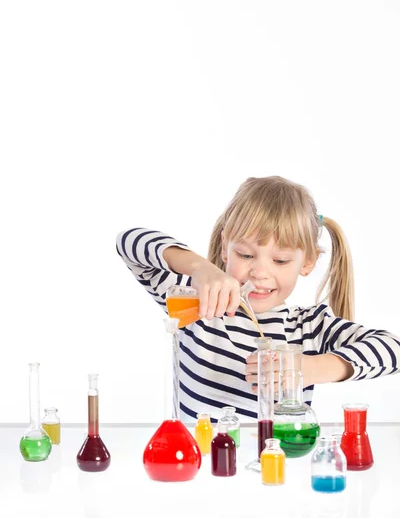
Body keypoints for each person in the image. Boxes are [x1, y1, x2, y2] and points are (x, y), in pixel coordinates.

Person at [116, 176, 400, 422]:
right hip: (200, 475)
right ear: (226, 248)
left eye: (280, 260)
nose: (260, 272)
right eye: (246, 255)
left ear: (308, 262)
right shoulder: (197, 303)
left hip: (275, 475)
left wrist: (307, 367)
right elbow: (129, 242)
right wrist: (198, 267)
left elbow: (394, 349)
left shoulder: (309, 328)